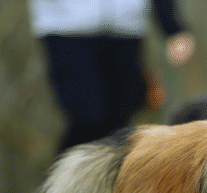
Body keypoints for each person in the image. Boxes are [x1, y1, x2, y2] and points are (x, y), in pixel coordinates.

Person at [29, 0, 195, 152]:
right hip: (67, 28)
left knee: (120, 118)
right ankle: (67, 179)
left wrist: (173, 27)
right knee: (89, 114)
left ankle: (105, 180)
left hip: (126, 29)